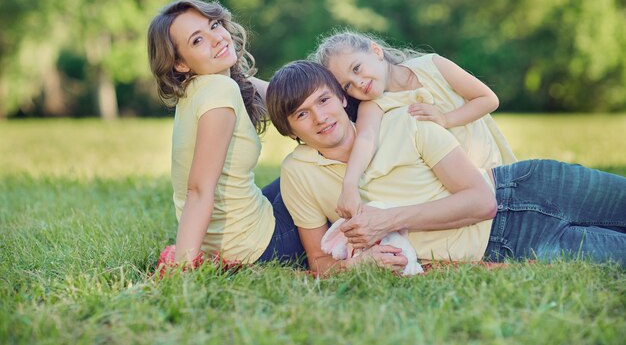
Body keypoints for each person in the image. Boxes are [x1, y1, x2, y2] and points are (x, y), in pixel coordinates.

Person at [265, 60, 626, 274]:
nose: (320, 117)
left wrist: (388, 220)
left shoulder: (402, 120)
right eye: (302, 113)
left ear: (343, 98)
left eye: (324, 100)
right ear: (289, 128)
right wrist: (362, 264)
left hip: (524, 185)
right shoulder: (299, 172)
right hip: (505, 244)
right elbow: (318, 260)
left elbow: (482, 201)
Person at [147, 0, 305, 268]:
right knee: (320, 169)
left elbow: (294, 99)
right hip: (258, 247)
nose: (218, 38)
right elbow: (198, 189)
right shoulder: (221, 91)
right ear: (180, 64)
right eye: (197, 40)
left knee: (298, 174)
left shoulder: (202, 86)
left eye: (215, 25)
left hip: (229, 237)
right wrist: (182, 268)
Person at [313, 31, 516, 219]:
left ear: (376, 51)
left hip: (489, 165)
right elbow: (366, 138)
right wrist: (349, 185)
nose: (357, 83)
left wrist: (446, 119)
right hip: (451, 187)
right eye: (347, 85)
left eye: (357, 68)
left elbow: (488, 99)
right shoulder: (373, 106)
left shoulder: (433, 66)